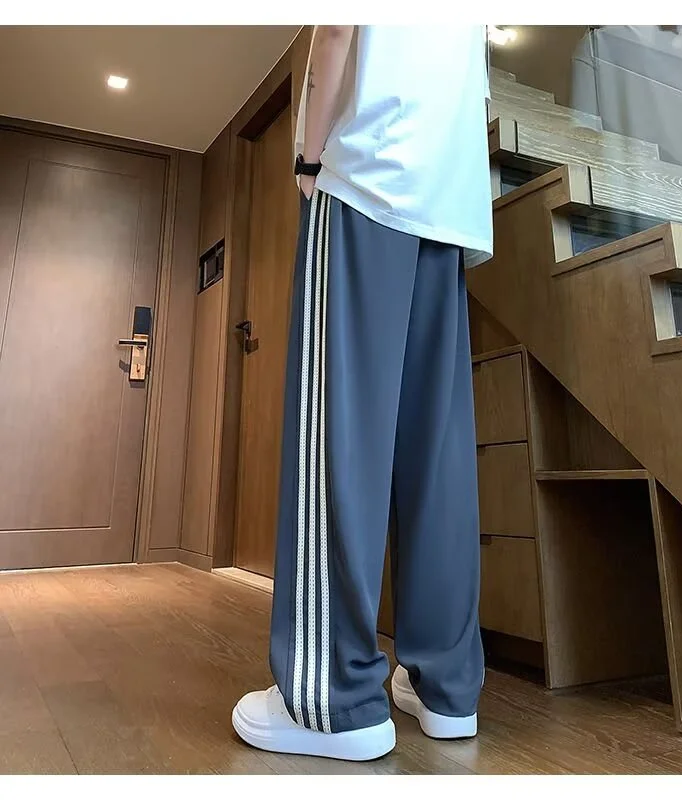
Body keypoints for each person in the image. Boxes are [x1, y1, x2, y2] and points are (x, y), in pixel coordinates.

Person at [232, 24, 493, 762]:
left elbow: (339, 30)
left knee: (337, 439)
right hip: (448, 206)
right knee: (435, 457)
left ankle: (333, 700)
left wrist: (309, 156)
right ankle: (447, 689)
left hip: (368, 181)